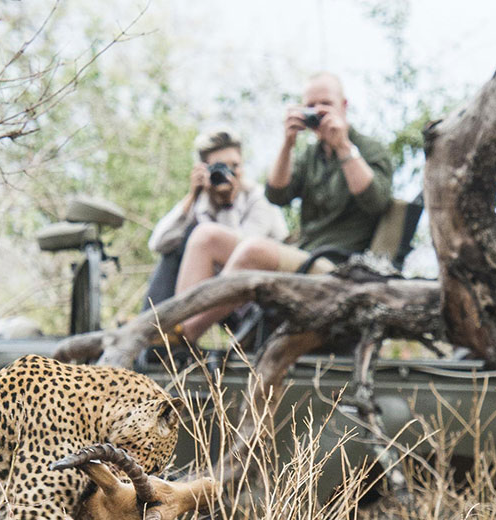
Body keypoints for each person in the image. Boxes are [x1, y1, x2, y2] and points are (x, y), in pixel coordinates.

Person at [171, 72, 396, 342]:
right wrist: (288, 143)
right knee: (205, 235)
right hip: (304, 256)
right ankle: (174, 325)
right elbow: (277, 194)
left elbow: (376, 202)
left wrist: (343, 147)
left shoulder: (370, 150)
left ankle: (185, 334)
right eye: (310, 106)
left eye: (326, 104)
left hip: (340, 269)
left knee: (253, 249)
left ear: (344, 106)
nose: (317, 112)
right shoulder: (310, 156)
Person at [142, 130, 287, 308]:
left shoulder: (259, 198)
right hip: (219, 289)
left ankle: (180, 327)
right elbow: (158, 244)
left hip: (260, 291)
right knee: (177, 245)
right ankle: (155, 328)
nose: (229, 174)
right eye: (220, 167)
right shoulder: (202, 200)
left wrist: (228, 206)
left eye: (235, 166)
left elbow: (244, 257)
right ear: (205, 170)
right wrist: (191, 197)